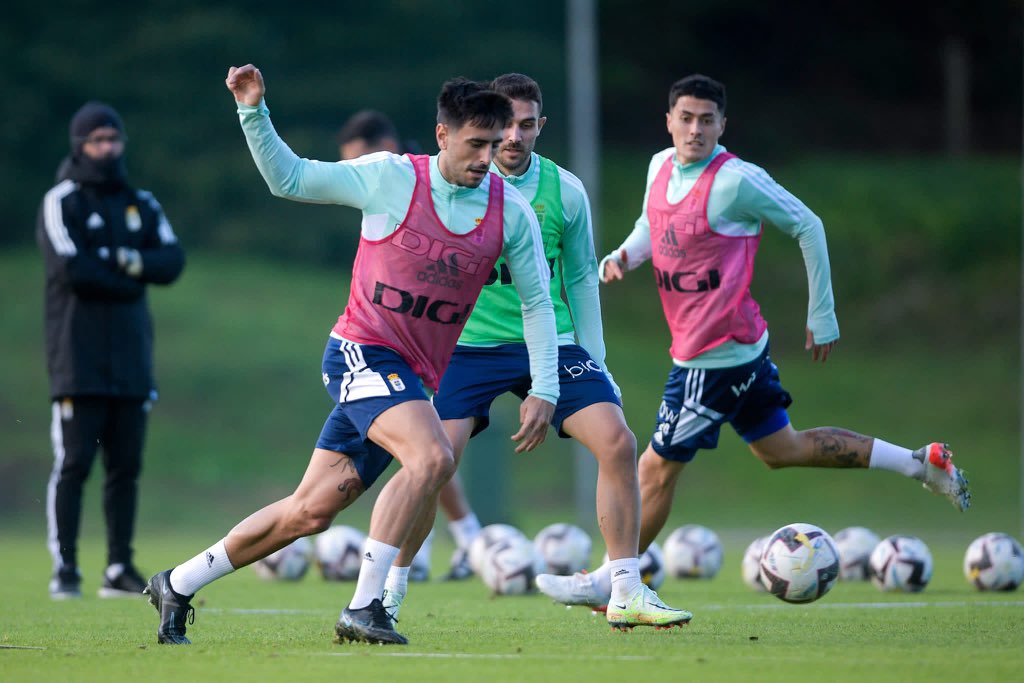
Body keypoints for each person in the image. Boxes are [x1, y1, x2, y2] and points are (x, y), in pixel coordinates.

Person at [143, 65, 561, 647]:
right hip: (360, 354)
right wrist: (252, 111)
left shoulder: (509, 211)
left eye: (494, 145)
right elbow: (289, 179)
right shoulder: (388, 179)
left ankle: (177, 582)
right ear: (441, 136)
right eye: (475, 144)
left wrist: (546, 386)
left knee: (309, 513)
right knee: (433, 457)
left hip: (409, 379)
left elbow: (538, 302)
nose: (487, 157)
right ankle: (366, 607)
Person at [536, 74, 971, 608]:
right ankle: (920, 463)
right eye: (687, 118)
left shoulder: (736, 181)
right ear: (669, 120)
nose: (696, 129)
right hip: (732, 348)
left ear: (723, 125)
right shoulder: (659, 166)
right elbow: (651, 226)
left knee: (652, 467)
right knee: (781, 449)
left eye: (707, 120)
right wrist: (626, 255)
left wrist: (823, 313)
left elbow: (808, 225)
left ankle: (609, 580)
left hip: (715, 356)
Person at [381, 73, 692, 632]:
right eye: (508, 126)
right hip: (468, 348)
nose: (515, 137)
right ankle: (387, 595)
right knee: (430, 464)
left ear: (540, 126)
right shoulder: (457, 182)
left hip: (549, 341)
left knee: (619, 441)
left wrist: (597, 365)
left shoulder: (566, 192)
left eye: (528, 125)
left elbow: (580, 281)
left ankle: (625, 589)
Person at [38, 101, 185, 600]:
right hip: (76, 359)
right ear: (80, 146)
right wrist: (131, 271)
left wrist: (119, 259)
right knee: (75, 463)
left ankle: (118, 566)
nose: (108, 149)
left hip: (131, 358)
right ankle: (66, 568)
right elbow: (70, 270)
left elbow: (171, 262)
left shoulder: (140, 202)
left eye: (114, 139)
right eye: (98, 141)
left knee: (125, 467)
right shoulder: (62, 201)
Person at [335, 109, 463, 582]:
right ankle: (421, 556)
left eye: (362, 162)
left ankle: (439, 546)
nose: (358, 175)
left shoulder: (420, 188)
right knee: (430, 451)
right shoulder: (382, 198)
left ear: (386, 147)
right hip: (379, 349)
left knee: (431, 451)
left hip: (441, 343)